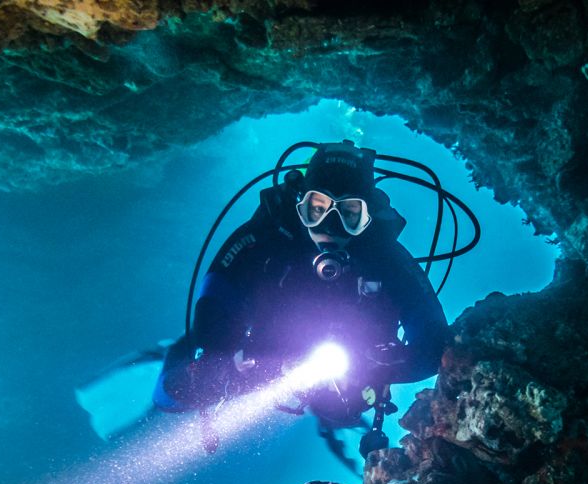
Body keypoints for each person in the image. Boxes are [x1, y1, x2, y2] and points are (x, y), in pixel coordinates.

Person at [154, 140, 449, 460]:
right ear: (299, 205)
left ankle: (336, 423)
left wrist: (382, 366)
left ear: (367, 218)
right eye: (317, 208)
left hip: (355, 369)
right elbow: (214, 300)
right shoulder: (266, 239)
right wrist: (220, 357)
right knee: (175, 392)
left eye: (349, 213)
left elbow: (433, 341)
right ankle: (169, 357)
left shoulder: (384, 256)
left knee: (339, 409)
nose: (330, 226)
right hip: (265, 357)